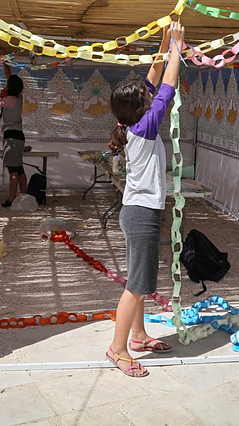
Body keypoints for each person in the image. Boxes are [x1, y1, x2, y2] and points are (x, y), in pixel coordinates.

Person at [105, 23, 182, 377]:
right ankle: (117, 349)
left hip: (134, 212)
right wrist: (178, 48)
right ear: (141, 108)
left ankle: (137, 336)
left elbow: (152, 82)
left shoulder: (133, 123)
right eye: (146, 98)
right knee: (137, 286)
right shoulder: (145, 126)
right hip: (141, 215)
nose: (151, 97)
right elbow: (166, 88)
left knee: (135, 280)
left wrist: (164, 42)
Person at [0, 62, 27, 207]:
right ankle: (24, 196)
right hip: (19, 135)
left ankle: (11, 198)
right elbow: (10, 77)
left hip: (11, 136)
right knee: (19, 168)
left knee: (12, 170)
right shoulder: (19, 97)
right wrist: (4, 63)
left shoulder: (7, 100)